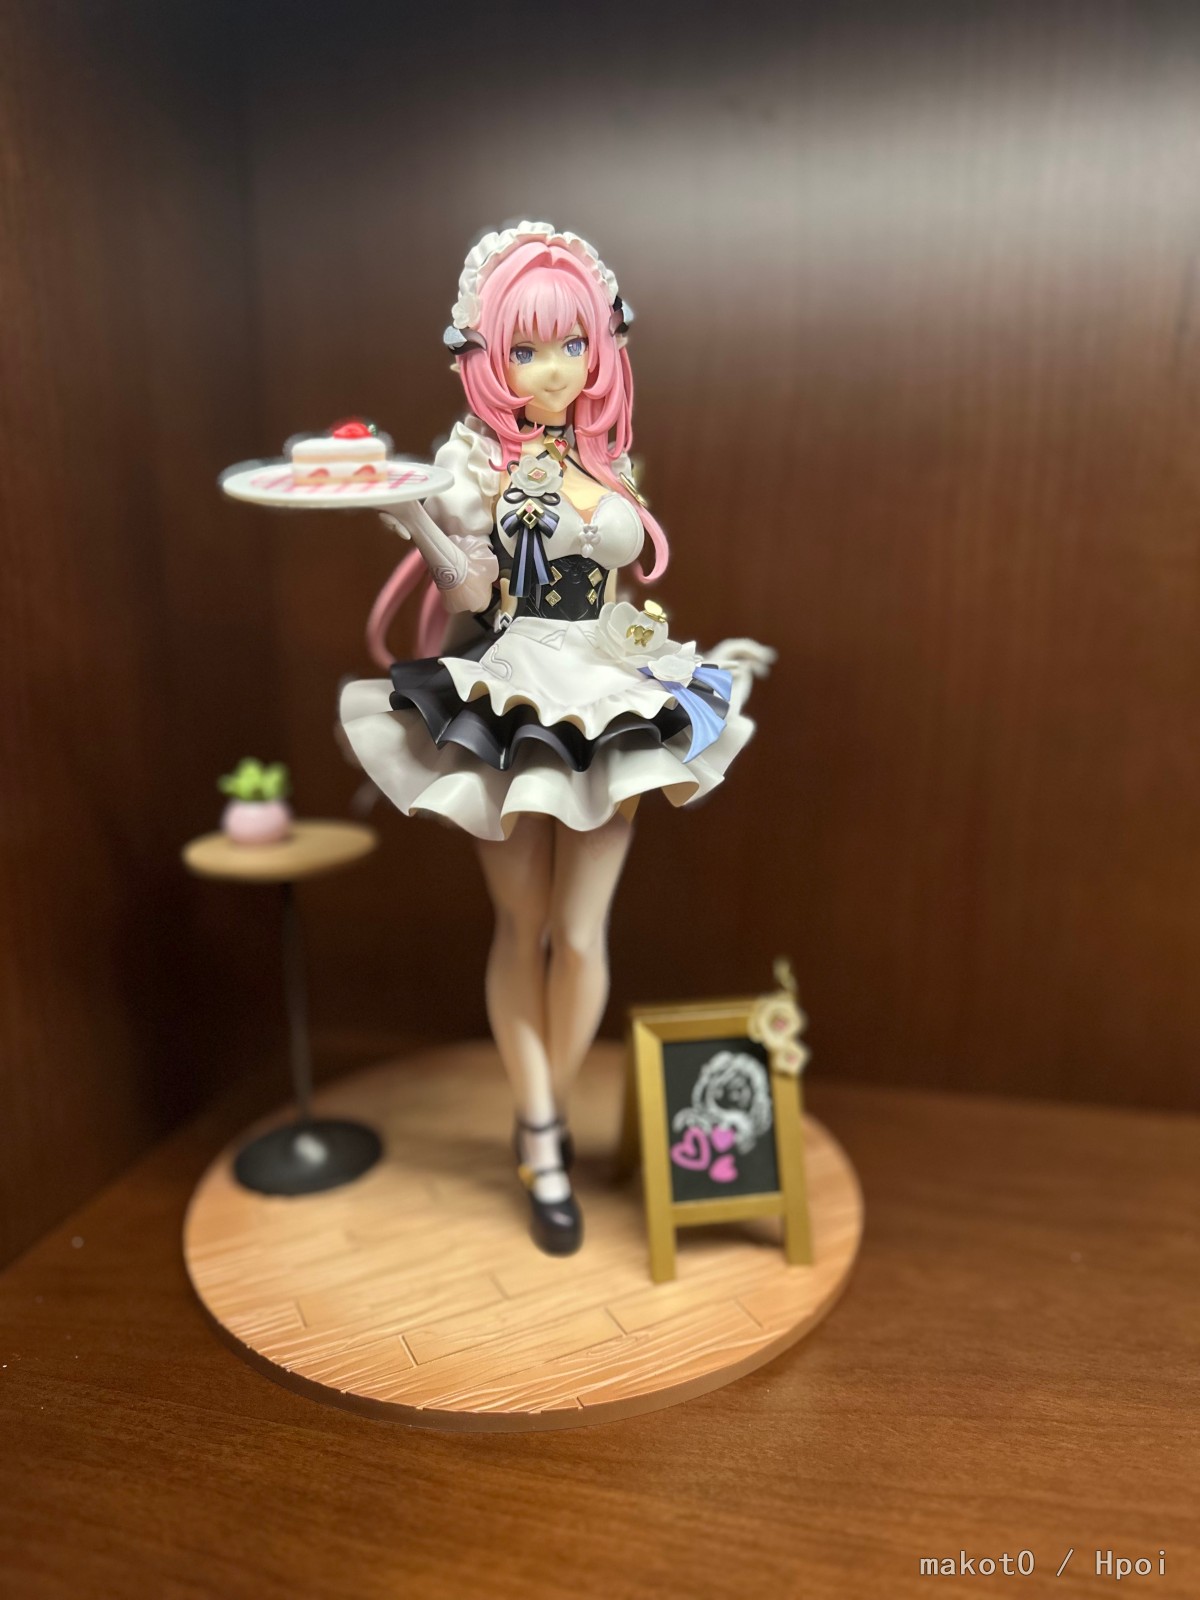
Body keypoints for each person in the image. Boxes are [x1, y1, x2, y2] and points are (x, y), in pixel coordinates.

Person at [340, 221, 773, 1255]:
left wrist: (679, 660)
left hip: (608, 687)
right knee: (521, 923)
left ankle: (549, 1108)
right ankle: (541, 1132)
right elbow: (469, 594)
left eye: (571, 344)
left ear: (601, 346)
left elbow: (617, 589)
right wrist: (418, 522)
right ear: (488, 356)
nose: (552, 368)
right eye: (527, 348)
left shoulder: (608, 455)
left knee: (580, 934)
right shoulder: (474, 462)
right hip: (513, 686)